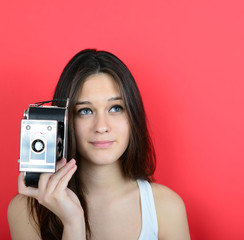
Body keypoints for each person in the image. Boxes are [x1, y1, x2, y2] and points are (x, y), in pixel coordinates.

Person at [8, 49, 190, 240]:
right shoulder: (26, 211)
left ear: (132, 115)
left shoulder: (165, 207)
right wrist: (73, 223)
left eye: (115, 108)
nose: (102, 127)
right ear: (64, 120)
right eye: (85, 111)